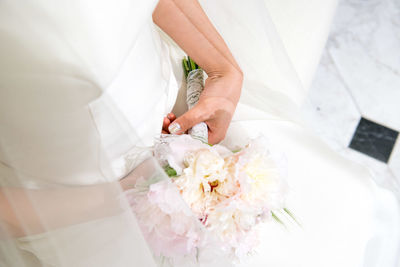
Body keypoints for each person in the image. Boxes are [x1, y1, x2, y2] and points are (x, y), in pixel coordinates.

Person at [0, 0, 399, 266]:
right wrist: (126, 196)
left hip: (176, 104)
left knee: (329, 214)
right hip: (71, 204)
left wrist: (224, 67)